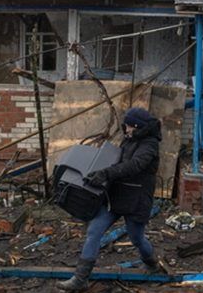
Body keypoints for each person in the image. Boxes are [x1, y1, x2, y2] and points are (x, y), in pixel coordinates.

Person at [57, 107, 162, 291]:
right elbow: (117, 160)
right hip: (116, 196)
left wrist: (106, 173)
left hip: (136, 199)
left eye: (129, 126)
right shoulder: (130, 139)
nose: (126, 129)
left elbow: (135, 165)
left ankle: (152, 264)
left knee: (136, 238)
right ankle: (80, 279)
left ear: (138, 126)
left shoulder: (150, 145)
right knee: (94, 231)